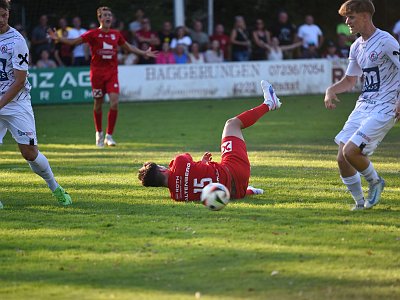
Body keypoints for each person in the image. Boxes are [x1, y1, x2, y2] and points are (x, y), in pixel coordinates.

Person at [138, 80, 281, 201]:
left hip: (236, 192)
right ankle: (269, 103)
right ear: (162, 170)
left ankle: (252, 190)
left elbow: (197, 183)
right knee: (232, 124)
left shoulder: (178, 196)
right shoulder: (179, 163)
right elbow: (186, 161)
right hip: (235, 168)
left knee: (218, 190)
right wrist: (200, 164)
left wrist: (202, 165)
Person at [324, 0, 400, 210]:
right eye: (346, 18)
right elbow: (350, 80)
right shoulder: (356, 46)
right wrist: (331, 90)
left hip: (385, 106)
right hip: (364, 105)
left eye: (351, 17)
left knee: (351, 152)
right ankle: (359, 204)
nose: (347, 22)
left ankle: (376, 181)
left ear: (365, 16)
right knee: (342, 158)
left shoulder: (385, 40)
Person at [48, 6, 157, 147]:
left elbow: (129, 47)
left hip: (112, 74)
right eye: (105, 15)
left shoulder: (116, 34)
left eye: (109, 15)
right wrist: (59, 38)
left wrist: (143, 53)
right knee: (98, 104)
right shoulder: (93, 34)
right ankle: (98, 133)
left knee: (114, 102)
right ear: (99, 18)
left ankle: (109, 136)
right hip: (97, 75)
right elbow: (74, 42)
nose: (108, 17)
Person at [0, 0, 72, 206]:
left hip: (16, 102)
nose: (0, 20)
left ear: (8, 14)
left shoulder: (17, 40)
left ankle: (55, 187)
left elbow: (20, 80)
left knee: (30, 153)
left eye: (4, 15)